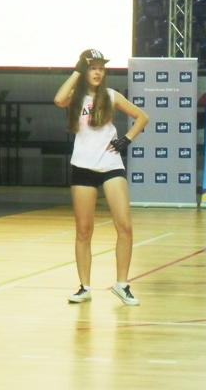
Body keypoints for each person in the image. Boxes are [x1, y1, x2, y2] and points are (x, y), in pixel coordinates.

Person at [54, 49, 149, 305]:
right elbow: (59, 99)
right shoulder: (75, 97)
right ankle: (84, 287)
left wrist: (125, 140)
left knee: (124, 226)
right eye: (93, 68)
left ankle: (122, 284)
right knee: (84, 231)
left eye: (101, 68)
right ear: (84, 71)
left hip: (111, 165)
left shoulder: (111, 95)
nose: (98, 72)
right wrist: (77, 70)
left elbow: (142, 117)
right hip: (83, 167)